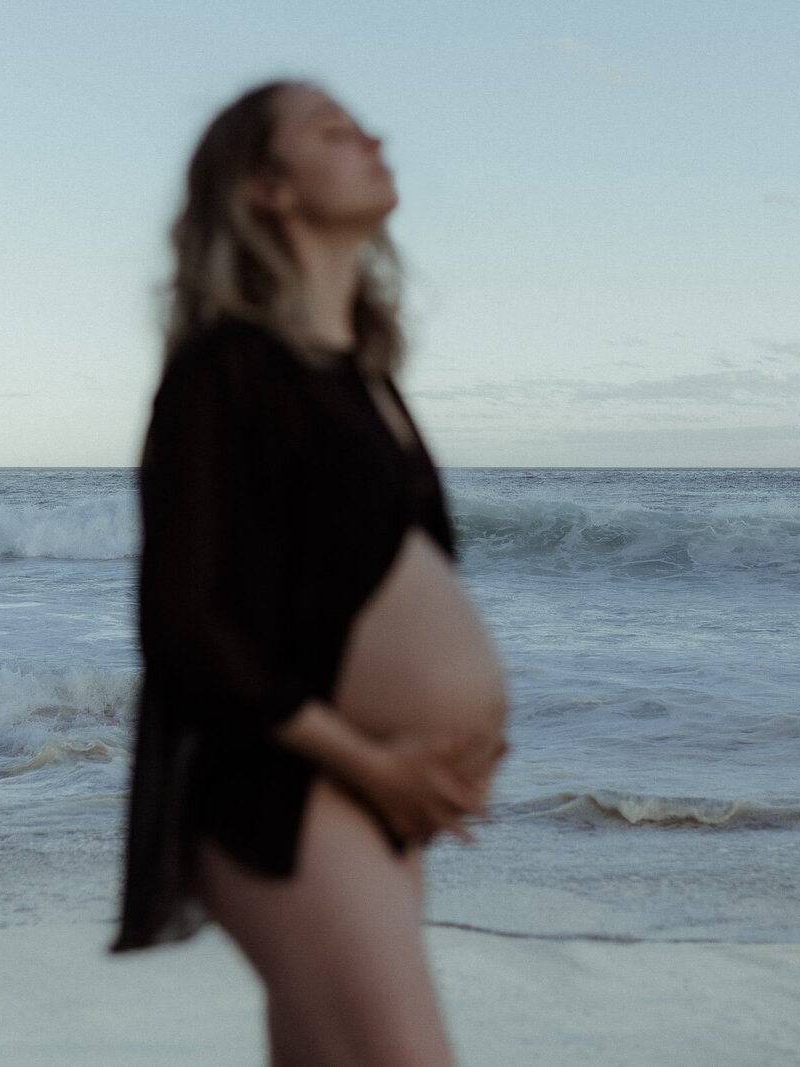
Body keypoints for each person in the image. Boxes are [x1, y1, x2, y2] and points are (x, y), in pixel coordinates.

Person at [113, 79, 508, 1067]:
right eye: (333, 130)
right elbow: (185, 621)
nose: (371, 136)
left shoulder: (365, 378)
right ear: (266, 188)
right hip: (290, 789)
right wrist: (372, 759)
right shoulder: (224, 369)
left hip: (371, 793)